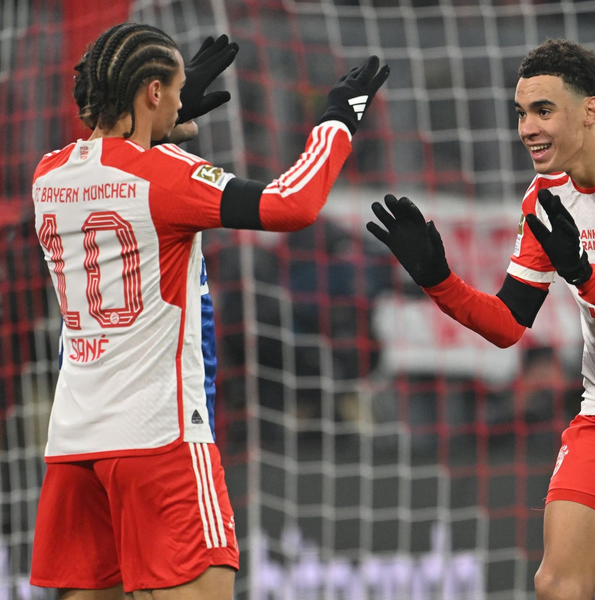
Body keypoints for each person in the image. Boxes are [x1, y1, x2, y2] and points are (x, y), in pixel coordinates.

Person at [367, 38, 595, 599]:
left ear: (590, 110)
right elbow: (507, 325)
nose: (526, 128)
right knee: (556, 585)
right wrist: (437, 281)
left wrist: (582, 273)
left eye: (543, 111)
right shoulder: (545, 196)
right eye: (521, 113)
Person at [30, 22, 388, 599]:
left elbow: (114, 163)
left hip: (75, 442)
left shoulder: (48, 174)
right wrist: (336, 124)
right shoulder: (164, 175)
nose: (180, 100)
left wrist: (158, 117)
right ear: (150, 92)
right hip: (160, 436)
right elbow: (289, 204)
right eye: (171, 90)